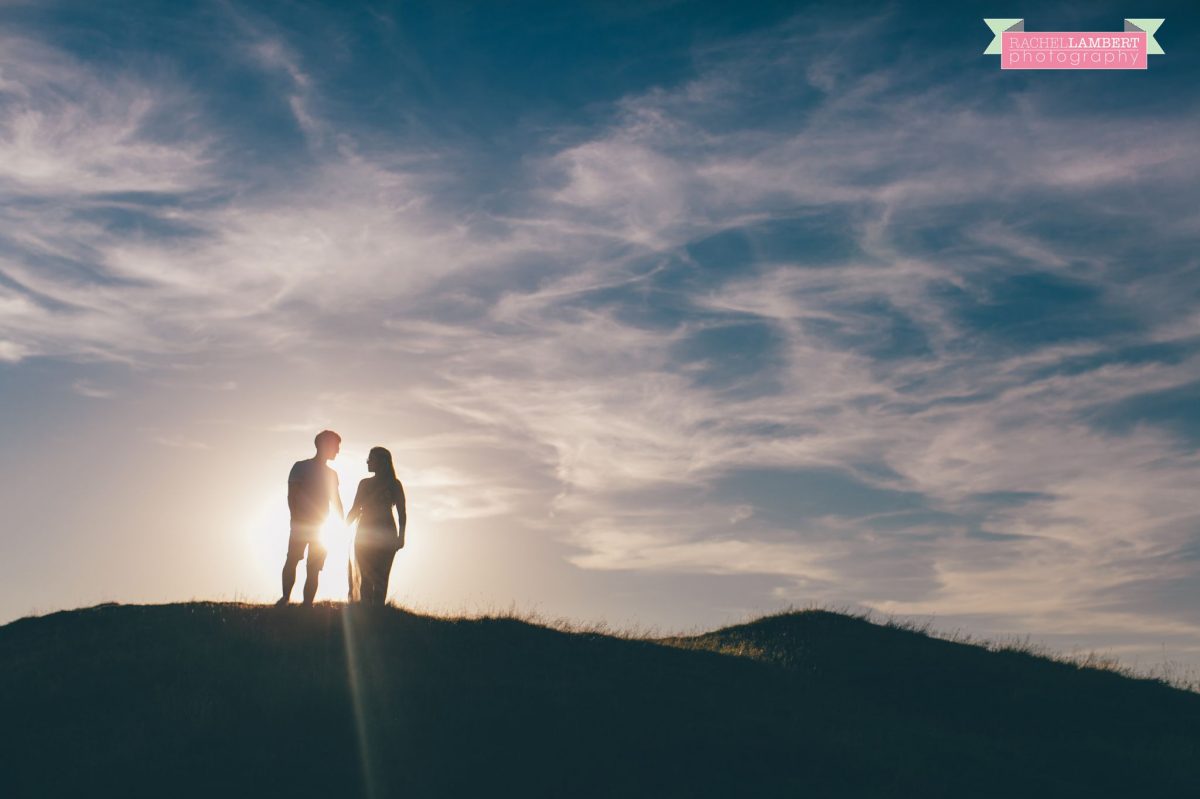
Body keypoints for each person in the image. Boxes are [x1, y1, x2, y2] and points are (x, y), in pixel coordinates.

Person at [278, 430, 344, 606]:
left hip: (322, 527)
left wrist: (342, 524)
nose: (338, 450)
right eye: (336, 446)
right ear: (325, 445)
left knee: (314, 568)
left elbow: (336, 500)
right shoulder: (300, 467)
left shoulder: (332, 474)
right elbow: (292, 495)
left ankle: (307, 605)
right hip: (302, 525)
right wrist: (296, 518)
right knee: (292, 560)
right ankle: (285, 598)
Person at [346, 446, 406, 606]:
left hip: (386, 533)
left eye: (370, 459)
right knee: (366, 574)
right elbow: (355, 508)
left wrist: (402, 536)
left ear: (381, 462)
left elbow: (402, 513)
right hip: (365, 532)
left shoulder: (395, 484)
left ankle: (378, 609)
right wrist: (342, 526)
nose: (367, 462)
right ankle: (366, 610)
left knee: (382, 574)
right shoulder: (364, 483)